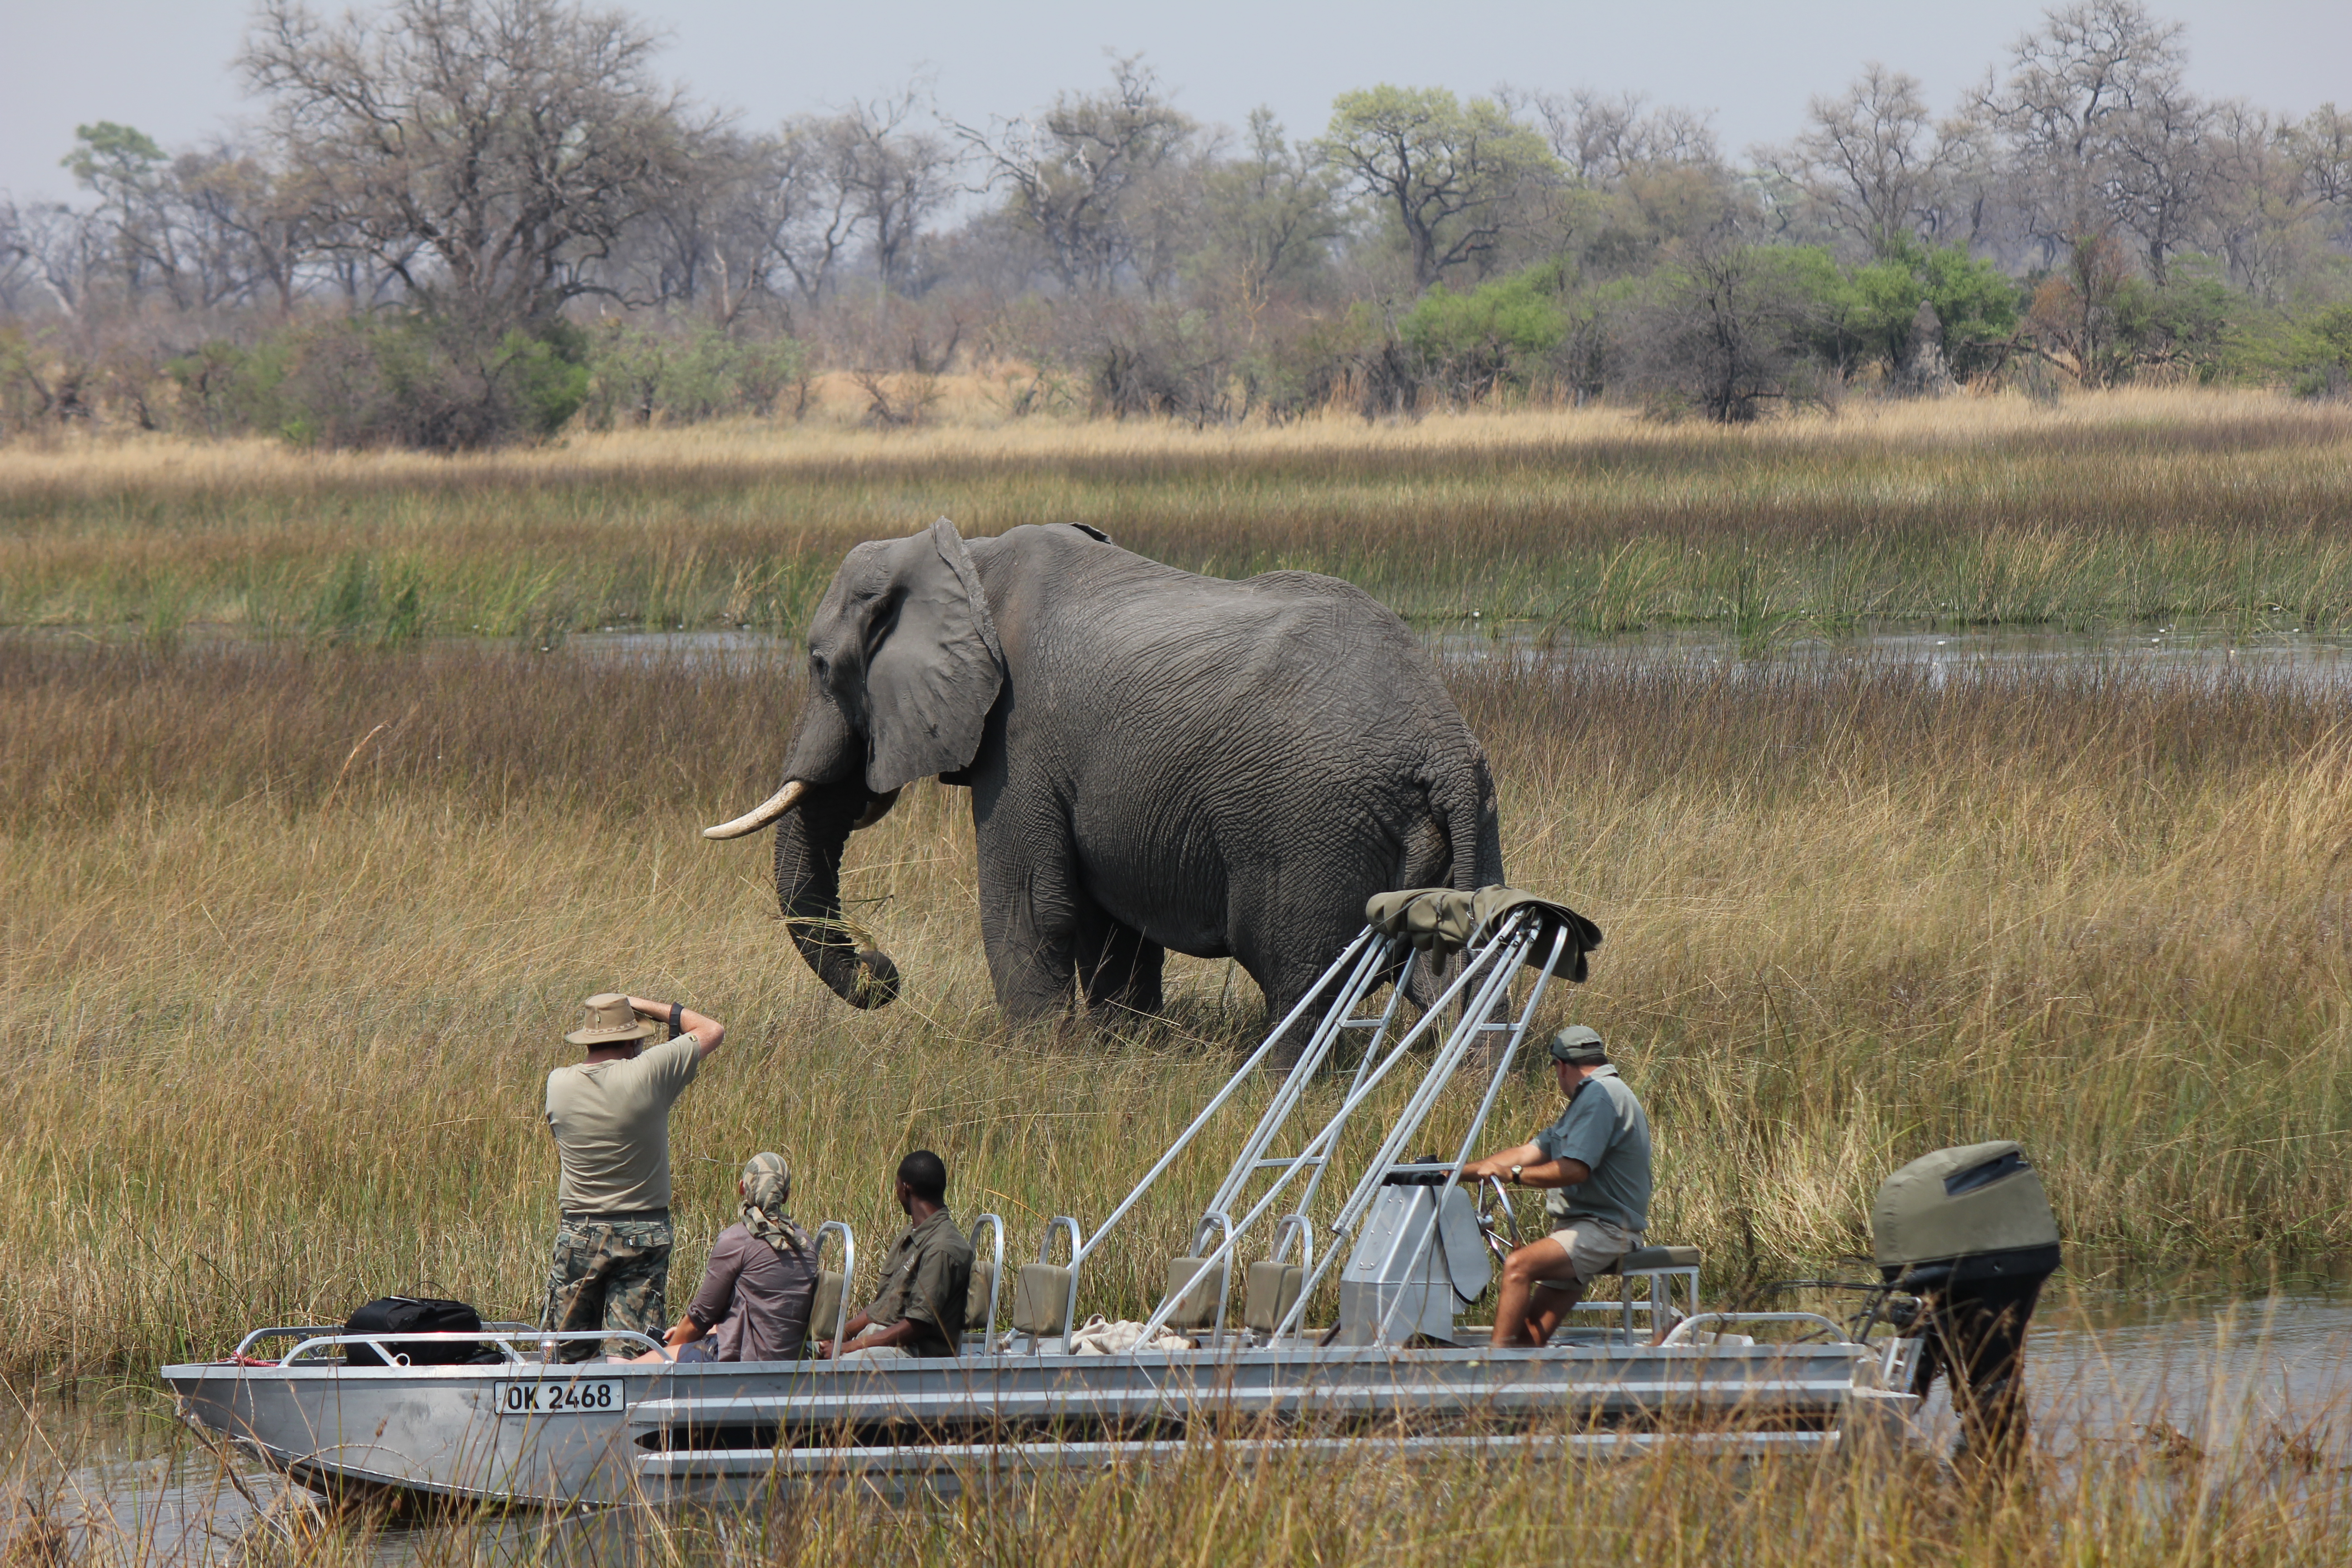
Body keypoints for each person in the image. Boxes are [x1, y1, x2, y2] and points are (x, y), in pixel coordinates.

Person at [541, 991, 724, 1361]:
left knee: (563, 1357)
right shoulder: (650, 1072)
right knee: (630, 1357)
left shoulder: (557, 1083)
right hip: (644, 1231)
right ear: (633, 1038)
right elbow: (711, 1029)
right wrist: (640, 1005)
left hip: (579, 1232)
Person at [1456, 1025, 1651, 1349]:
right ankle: (1514, 1375)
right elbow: (1527, 1152)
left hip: (1606, 1230)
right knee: (1527, 1340)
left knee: (1518, 1266)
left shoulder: (1600, 1096)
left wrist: (1513, 1175)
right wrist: (1454, 1174)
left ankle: (1489, 1374)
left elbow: (1574, 1170)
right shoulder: (1591, 1099)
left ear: (1561, 1066)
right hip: (1579, 1229)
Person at [629, 1153, 820, 1364]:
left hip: (741, 1357)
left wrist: (670, 1351)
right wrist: (713, 1331)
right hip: (792, 1359)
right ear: (785, 1196)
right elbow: (768, 1313)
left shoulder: (736, 1240)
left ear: (742, 1188)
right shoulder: (805, 1243)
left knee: (639, 1366)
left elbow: (699, 1319)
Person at [818, 1150, 973, 1360]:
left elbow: (917, 1325)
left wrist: (851, 1347)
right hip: (885, 1339)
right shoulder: (911, 1235)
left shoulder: (942, 1248)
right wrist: (843, 1334)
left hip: (915, 1351)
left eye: (897, 1185)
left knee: (841, 1368)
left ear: (906, 1188)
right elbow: (885, 1304)